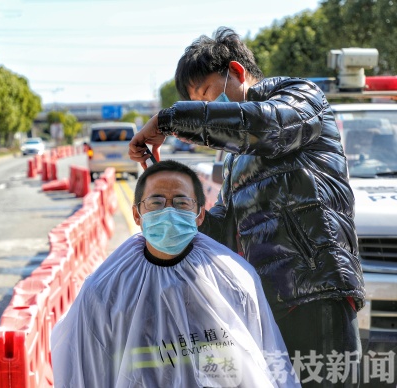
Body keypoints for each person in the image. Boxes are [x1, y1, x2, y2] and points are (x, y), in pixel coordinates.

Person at [128, 27, 364, 387]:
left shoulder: (300, 99)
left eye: (206, 96)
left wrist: (169, 120)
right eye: (197, 104)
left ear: (237, 72)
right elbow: (225, 230)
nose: (206, 110)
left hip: (317, 292)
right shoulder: (235, 159)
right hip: (268, 303)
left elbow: (263, 126)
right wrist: (172, 204)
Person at [51, 160, 299, 387]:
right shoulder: (105, 291)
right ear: (137, 214)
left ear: (200, 214)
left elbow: (264, 355)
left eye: (181, 203)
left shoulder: (234, 279)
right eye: (156, 202)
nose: (168, 212)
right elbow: (84, 371)